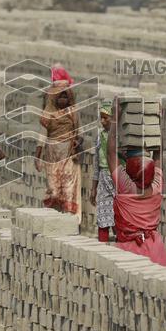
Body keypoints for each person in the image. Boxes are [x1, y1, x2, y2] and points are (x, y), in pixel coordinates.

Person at [106, 97, 166, 267]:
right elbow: (159, 154)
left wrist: (115, 118)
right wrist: (157, 124)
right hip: (156, 251)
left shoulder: (126, 189)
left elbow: (111, 154)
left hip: (128, 251)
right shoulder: (156, 186)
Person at [36, 80, 82, 217]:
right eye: (60, 96)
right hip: (52, 155)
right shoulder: (48, 112)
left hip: (68, 154)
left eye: (65, 96)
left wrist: (77, 143)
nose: (63, 99)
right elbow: (41, 137)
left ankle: (69, 219)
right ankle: (53, 217)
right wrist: (37, 157)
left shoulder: (73, 112)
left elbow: (80, 133)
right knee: (54, 188)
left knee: (68, 187)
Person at [91, 101, 116, 242]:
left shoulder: (120, 138)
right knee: (103, 216)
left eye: (106, 118)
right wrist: (93, 189)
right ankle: (103, 244)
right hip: (103, 180)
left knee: (119, 216)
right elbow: (96, 165)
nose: (102, 121)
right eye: (101, 117)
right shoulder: (100, 137)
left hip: (118, 180)